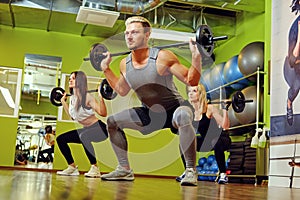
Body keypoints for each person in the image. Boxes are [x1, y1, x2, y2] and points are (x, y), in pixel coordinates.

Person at [99, 16, 202, 186]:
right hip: (150, 113)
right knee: (112, 122)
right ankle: (124, 169)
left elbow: (191, 80)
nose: (129, 36)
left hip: (176, 108)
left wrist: (196, 57)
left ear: (147, 35)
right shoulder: (125, 64)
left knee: (183, 117)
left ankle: (190, 170)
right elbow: (121, 90)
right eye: (127, 33)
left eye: (135, 32)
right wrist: (106, 69)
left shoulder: (163, 57)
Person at [56, 71, 108, 177]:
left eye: (73, 78)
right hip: (86, 130)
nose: (70, 80)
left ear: (80, 81)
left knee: (84, 136)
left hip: (100, 129)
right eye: (70, 78)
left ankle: (95, 168)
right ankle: (72, 167)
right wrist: (63, 102)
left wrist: (101, 97)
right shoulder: (72, 98)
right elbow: (72, 116)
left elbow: (103, 113)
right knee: (61, 139)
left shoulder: (87, 97)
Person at [176, 84, 231, 184]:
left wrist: (225, 109)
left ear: (201, 94)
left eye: (194, 91)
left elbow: (225, 126)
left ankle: (223, 174)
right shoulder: (190, 112)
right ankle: (189, 171)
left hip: (221, 138)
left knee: (216, 141)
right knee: (184, 144)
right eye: (189, 91)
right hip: (206, 141)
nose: (190, 94)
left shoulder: (209, 108)